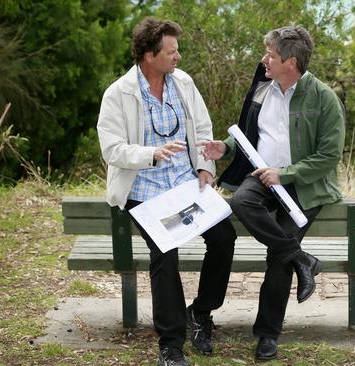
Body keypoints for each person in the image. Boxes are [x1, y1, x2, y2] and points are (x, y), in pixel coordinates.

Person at [199, 25, 345, 361]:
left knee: (277, 258)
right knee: (241, 201)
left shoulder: (324, 98)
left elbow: (328, 157)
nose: (265, 60)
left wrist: (286, 174)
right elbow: (249, 135)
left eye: (271, 55)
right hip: (262, 176)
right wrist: (224, 147)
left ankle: (267, 336)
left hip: (305, 187)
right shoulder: (263, 89)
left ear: (290, 62)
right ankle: (302, 259)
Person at [97, 17, 236, 366]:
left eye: (177, 50)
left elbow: (203, 127)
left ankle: (201, 313)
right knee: (165, 251)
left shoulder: (183, 82)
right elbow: (112, 150)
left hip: (186, 185)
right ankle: (171, 345)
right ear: (148, 54)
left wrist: (205, 167)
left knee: (224, 236)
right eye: (171, 51)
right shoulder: (119, 94)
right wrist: (151, 154)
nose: (178, 57)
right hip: (143, 190)